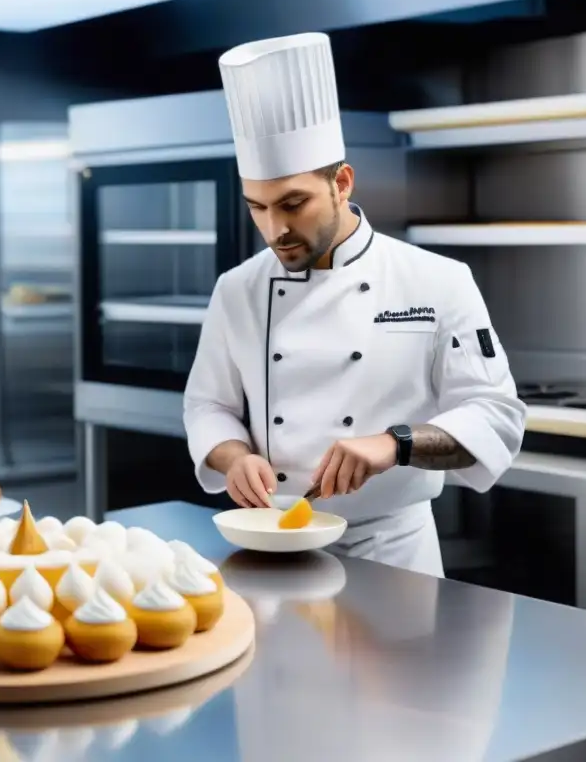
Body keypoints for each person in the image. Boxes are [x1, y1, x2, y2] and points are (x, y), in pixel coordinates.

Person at [182, 32, 527, 577]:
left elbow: (497, 415)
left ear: (342, 183)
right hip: (270, 547)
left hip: (393, 555)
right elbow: (208, 406)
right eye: (258, 207)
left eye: (294, 204)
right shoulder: (238, 289)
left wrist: (397, 444)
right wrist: (234, 457)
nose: (275, 230)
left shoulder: (437, 281)